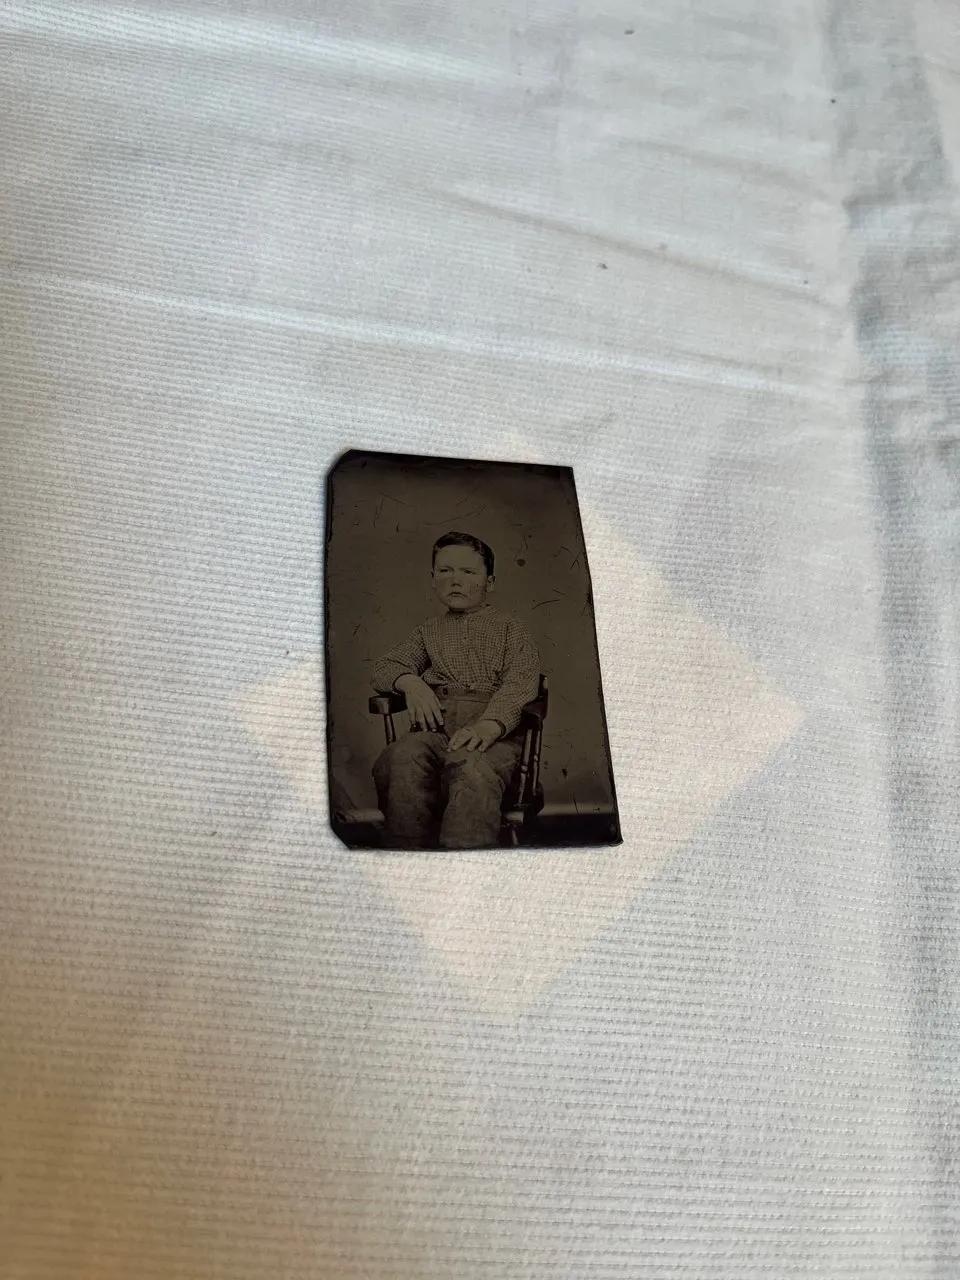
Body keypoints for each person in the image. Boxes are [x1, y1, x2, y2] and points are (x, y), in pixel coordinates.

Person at [371, 531, 541, 849]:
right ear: (433, 578)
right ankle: (407, 852)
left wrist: (491, 724)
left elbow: (521, 683)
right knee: (402, 757)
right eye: (445, 571)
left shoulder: (510, 629)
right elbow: (384, 667)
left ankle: (464, 857)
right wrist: (411, 683)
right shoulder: (428, 631)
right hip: (437, 732)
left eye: (468, 572)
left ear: (490, 581)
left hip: (495, 738)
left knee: (471, 768)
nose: (455, 581)